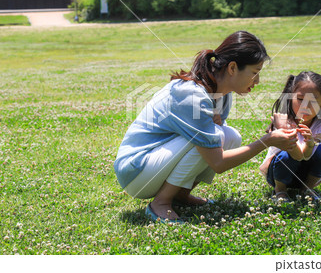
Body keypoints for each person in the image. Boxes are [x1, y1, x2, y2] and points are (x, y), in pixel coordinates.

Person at [114, 31, 298, 223]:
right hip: (136, 171)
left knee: (230, 136)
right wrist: (267, 141)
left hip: (155, 165)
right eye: (254, 72)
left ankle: (181, 195)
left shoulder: (222, 93)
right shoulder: (192, 95)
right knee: (214, 135)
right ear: (233, 68)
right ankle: (161, 202)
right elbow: (217, 162)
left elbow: (216, 143)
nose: (257, 81)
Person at [259, 71, 321, 202]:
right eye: (300, 99)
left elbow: (303, 155)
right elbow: (296, 155)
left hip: (304, 172)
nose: (305, 105)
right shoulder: (281, 121)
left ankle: (307, 189)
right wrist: (284, 129)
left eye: (313, 100)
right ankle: (280, 191)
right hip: (278, 173)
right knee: (285, 155)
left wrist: (310, 144)